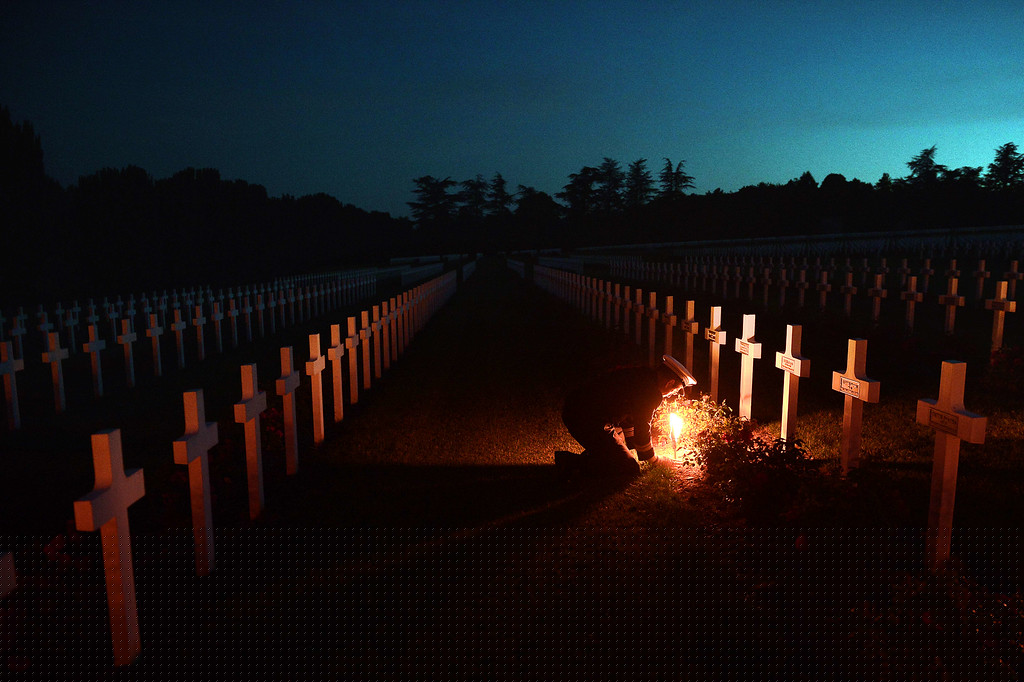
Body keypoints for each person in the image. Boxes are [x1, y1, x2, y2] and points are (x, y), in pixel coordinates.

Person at [557, 354, 696, 480]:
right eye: (675, 390)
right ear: (669, 383)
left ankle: (597, 455)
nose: (672, 394)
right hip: (585, 418)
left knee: (619, 445)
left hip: (580, 410)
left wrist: (630, 445)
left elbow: (629, 416)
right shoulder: (651, 392)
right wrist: (656, 460)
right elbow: (642, 426)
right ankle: (571, 462)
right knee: (628, 467)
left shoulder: (643, 376)